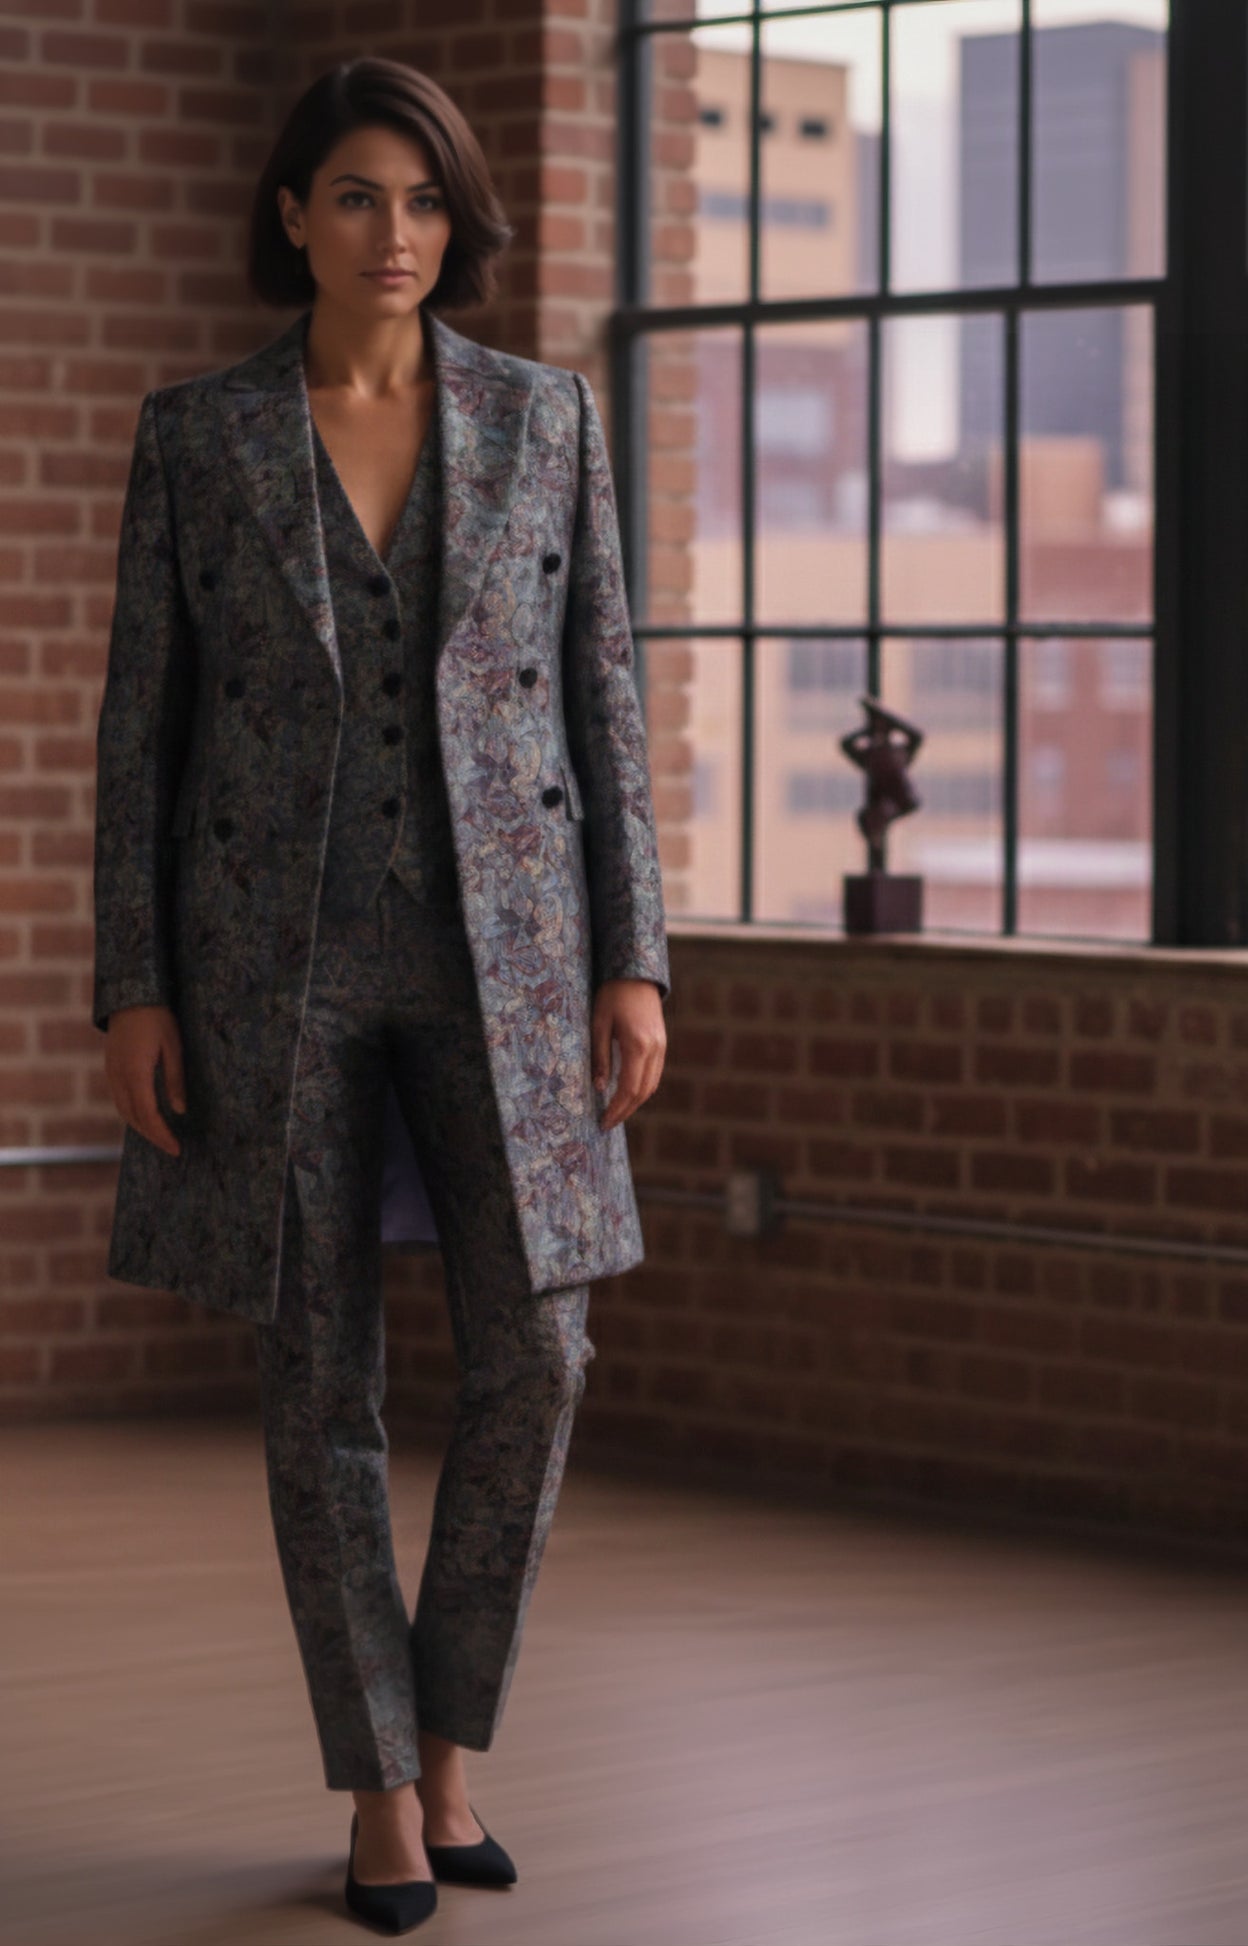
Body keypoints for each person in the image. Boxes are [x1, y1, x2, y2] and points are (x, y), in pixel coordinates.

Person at [91, 58, 670, 1934]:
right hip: (274, 968)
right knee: (315, 1378)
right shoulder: (199, 436)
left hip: (509, 960)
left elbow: (609, 711)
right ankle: (377, 1791)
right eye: (354, 197)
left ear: (455, 221)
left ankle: (452, 1743)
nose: (394, 235)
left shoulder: (547, 419)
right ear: (292, 218)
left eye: (421, 203)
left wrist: (634, 951)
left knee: (540, 1353)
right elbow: (138, 741)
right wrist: (136, 986)